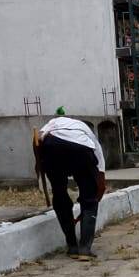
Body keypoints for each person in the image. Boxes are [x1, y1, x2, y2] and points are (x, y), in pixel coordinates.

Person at [36, 108, 106, 260]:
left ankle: (72, 247)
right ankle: (85, 249)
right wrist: (101, 178)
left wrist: (40, 166)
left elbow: (38, 139)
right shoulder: (81, 126)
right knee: (89, 199)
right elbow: (98, 151)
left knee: (60, 196)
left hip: (52, 148)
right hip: (81, 149)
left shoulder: (51, 123)